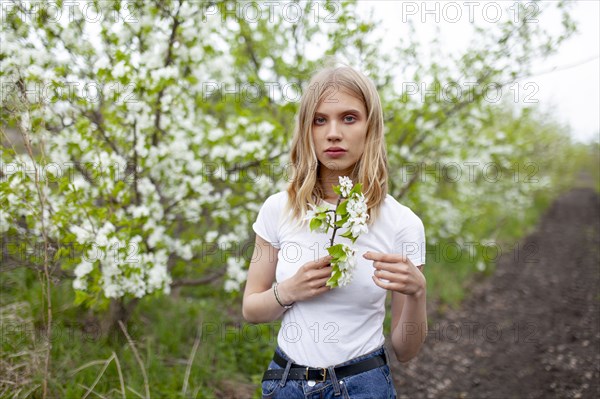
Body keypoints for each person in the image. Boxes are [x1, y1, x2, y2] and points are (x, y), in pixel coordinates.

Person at [242, 64, 427, 399]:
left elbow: (405, 350)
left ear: (371, 127)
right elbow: (252, 309)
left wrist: (417, 294)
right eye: (320, 119)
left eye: (349, 118)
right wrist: (289, 291)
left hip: (362, 385)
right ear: (306, 129)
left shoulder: (402, 223)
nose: (333, 133)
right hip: (286, 384)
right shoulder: (278, 209)